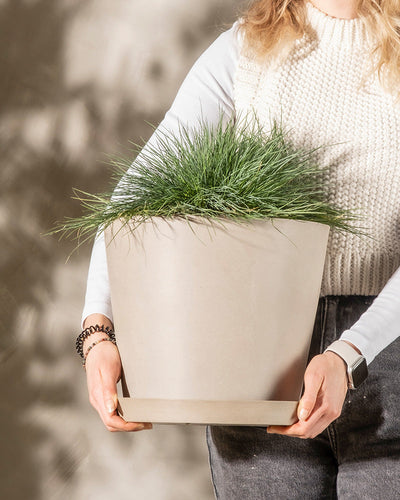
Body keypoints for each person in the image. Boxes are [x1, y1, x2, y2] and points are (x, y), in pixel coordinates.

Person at [79, 0, 400, 497]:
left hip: (388, 357)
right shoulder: (245, 48)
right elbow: (134, 197)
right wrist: (97, 331)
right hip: (255, 360)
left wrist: (350, 353)